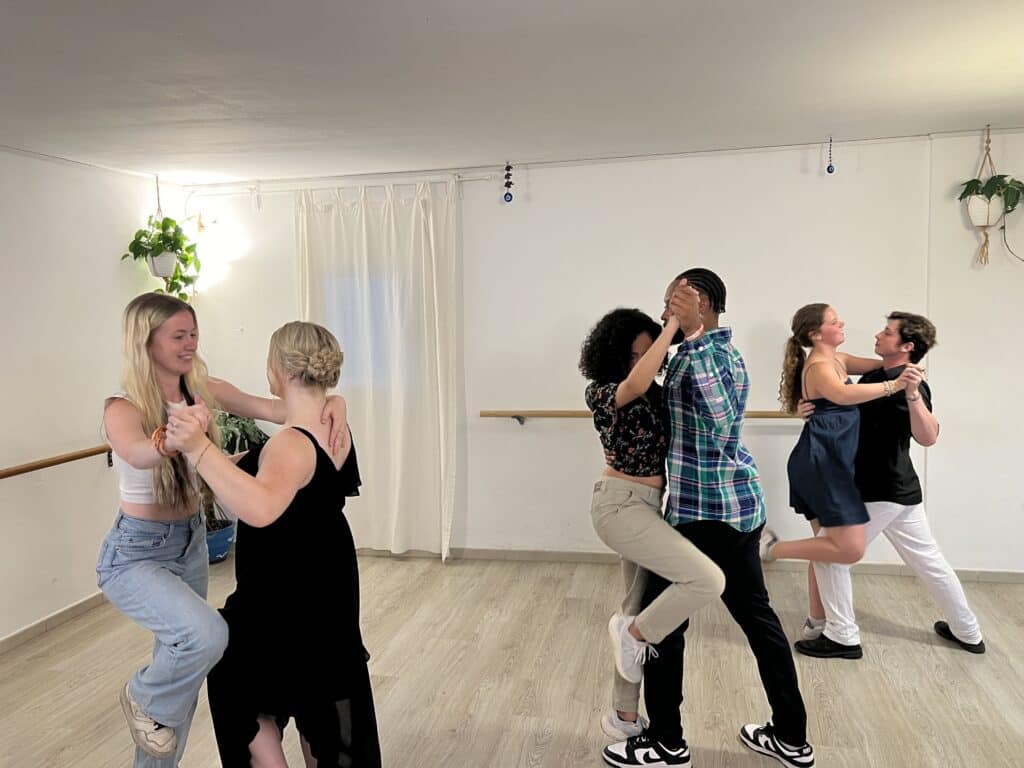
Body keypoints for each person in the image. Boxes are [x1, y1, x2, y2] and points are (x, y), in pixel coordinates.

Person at [96, 292, 344, 767]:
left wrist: (338, 402)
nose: (190, 344)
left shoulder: (202, 388)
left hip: (187, 544)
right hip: (136, 553)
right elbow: (137, 453)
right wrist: (177, 436)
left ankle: (151, 721)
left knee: (177, 702)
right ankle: (140, 693)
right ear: (146, 341)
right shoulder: (122, 406)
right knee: (206, 638)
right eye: (178, 336)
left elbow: (280, 408)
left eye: (194, 333)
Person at [603, 269, 814, 768]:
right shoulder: (689, 355)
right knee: (755, 621)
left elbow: (719, 417)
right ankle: (790, 736)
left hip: (708, 515)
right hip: (722, 509)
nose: (665, 311)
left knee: (665, 627)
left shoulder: (716, 353)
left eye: (674, 300)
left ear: (702, 302)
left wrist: (692, 331)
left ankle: (666, 743)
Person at [166, 320, 381, 768]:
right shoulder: (326, 420)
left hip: (287, 591)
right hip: (327, 581)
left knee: (237, 677)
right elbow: (236, 398)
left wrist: (198, 447)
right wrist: (182, 374)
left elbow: (261, 508)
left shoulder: (291, 442)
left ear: (279, 367)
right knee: (316, 691)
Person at [793, 312, 985, 659]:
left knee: (829, 557)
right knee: (930, 562)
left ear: (907, 346)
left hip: (879, 491)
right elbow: (839, 398)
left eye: (887, 332)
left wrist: (911, 393)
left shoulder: (907, 383)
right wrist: (811, 407)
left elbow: (928, 436)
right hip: (898, 491)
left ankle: (842, 637)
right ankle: (967, 631)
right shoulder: (876, 375)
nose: (878, 334)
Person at [580, 303, 724, 741]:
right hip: (619, 506)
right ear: (617, 356)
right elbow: (634, 382)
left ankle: (622, 718)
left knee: (634, 606)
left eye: (650, 353)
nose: (648, 362)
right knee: (707, 581)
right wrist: (672, 326)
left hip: (651, 504)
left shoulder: (658, 394)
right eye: (636, 354)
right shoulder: (602, 391)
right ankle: (636, 635)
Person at [760, 303, 919, 573]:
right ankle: (770, 549)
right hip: (821, 463)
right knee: (850, 548)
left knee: (825, 551)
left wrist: (908, 362)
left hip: (829, 460)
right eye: (834, 321)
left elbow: (886, 365)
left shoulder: (838, 359)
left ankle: (818, 617)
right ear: (815, 334)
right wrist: (896, 385)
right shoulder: (819, 367)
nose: (841, 323)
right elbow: (843, 395)